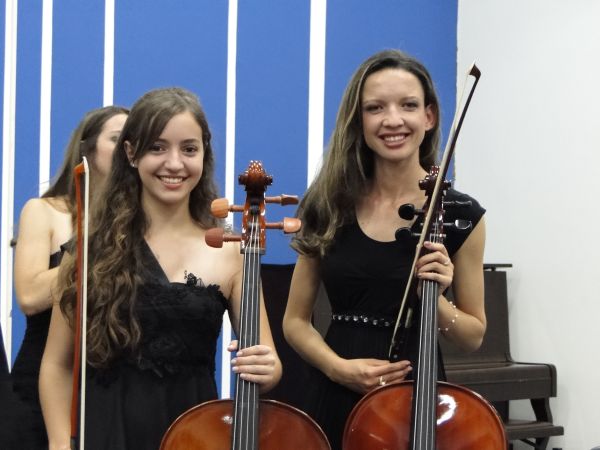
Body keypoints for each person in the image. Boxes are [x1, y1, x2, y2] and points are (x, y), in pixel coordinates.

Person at [39, 87, 282, 450]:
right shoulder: (90, 249)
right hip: (106, 435)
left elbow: (269, 363)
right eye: (157, 147)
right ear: (131, 153)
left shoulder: (232, 250)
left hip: (195, 438)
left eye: (189, 149)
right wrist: (61, 443)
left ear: (204, 154)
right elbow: (57, 365)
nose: (174, 164)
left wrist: (267, 368)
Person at [282, 49, 487, 449]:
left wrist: (435, 300)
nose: (393, 120)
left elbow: (472, 337)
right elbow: (295, 321)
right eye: (375, 108)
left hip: (417, 397)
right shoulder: (328, 204)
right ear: (359, 120)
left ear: (429, 116)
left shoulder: (462, 215)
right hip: (336, 390)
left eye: (408, 105)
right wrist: (339, 369)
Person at [10, 105, 128, 450]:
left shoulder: (142, 221)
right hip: (43, 376)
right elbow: (30, 297)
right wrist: (96, 247)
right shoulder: (44, 210)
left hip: (111, 381)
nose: (128, 149)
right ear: (87, 148)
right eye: (117, 139)